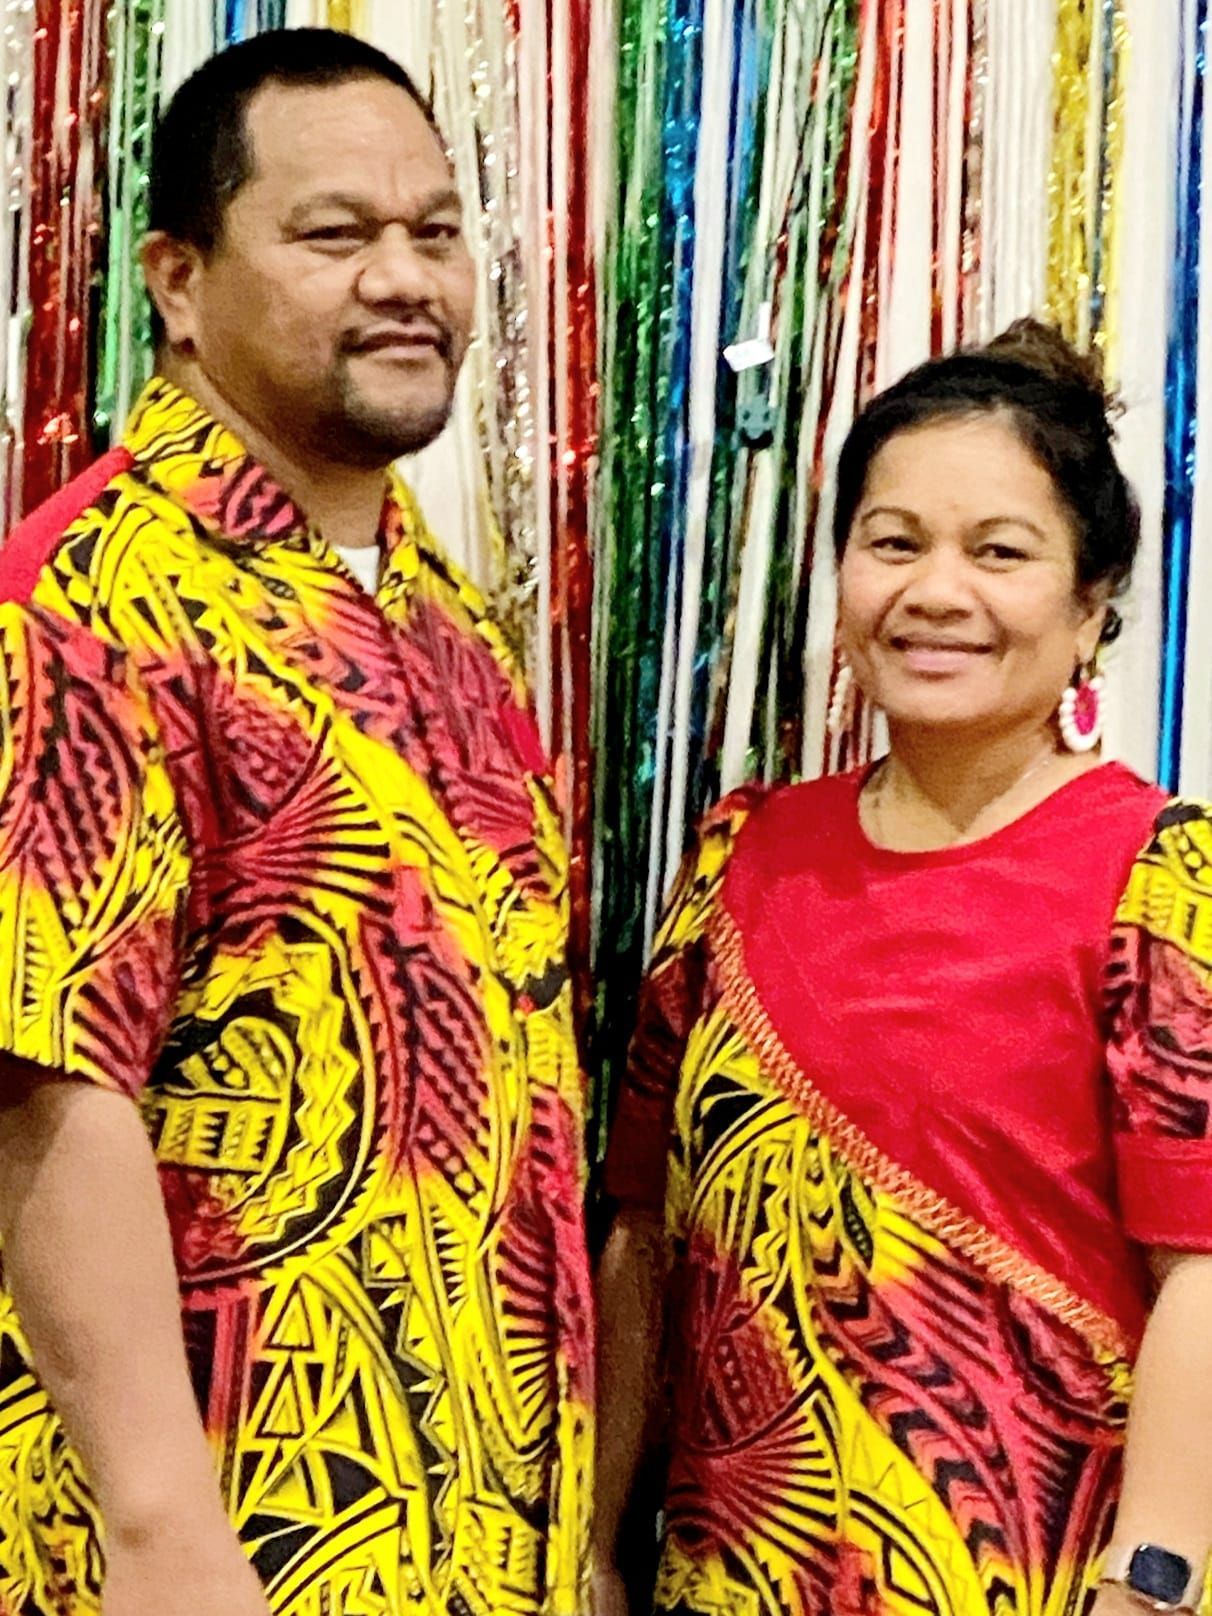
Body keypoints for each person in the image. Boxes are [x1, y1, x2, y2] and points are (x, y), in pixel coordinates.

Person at [0, 29, 591, 1616]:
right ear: (176, 280)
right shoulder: (85, 602)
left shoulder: (452, 630)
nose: (405, 278)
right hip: (226, 1542)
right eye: (334, 234)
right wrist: (160, 1529)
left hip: (475, 1534)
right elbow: (43, 1074)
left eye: (437, 231)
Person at [592, 321, 1212, 1616]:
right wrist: (595, 1544)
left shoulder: (1160, 885)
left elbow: (1201, 1273)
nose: (937, 591)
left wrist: (1152, 1581)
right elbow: (643, 1233)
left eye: (1000, 552)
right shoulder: (742, 862)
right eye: (894, 542)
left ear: (1094, 602)